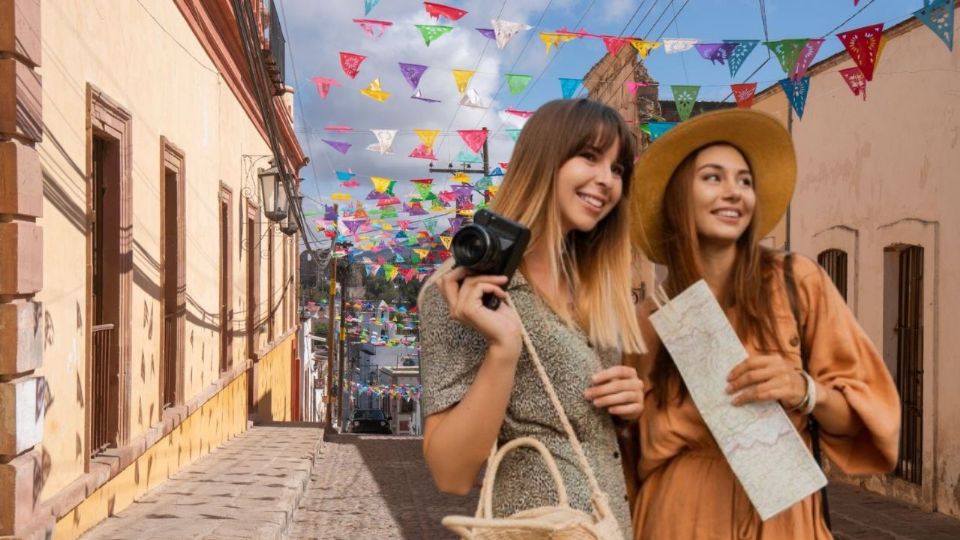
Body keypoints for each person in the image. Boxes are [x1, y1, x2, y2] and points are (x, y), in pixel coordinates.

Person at [623, 108, 901, 539]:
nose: (734, 192)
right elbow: (629, 452)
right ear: (680, 196)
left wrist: (805, 389)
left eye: (745, 181)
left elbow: (868, 423)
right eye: (713, 177)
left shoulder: (796, 282)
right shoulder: (652, 319)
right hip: (678, 514)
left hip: (782, 514)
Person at [418, 98, 647, 535]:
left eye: (618, 169)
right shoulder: (469, 286)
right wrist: (503, 350)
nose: (606, 181)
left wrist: (630, 409)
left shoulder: (594, 289)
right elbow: (451, 473)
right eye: (589, 157)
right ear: (544, 159)